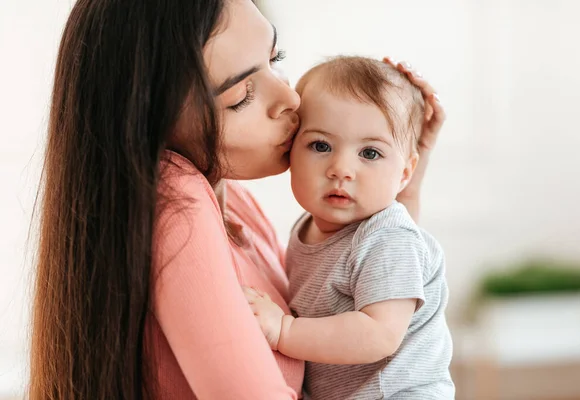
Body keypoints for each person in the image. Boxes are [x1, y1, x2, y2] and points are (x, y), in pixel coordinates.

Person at [29, 0, 445, 398]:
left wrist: (402, 172)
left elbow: (379, 253)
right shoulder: (179, 197)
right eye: (240, 96)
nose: (292, 99)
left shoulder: (239, 204)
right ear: (149, 119)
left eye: (275, 59)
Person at [243, 56, 454, 400]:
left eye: (370, 153)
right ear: (290, 149)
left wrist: (284, 330)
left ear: (404, 172)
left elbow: (379, 334)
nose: (341, 169)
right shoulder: (315, 225)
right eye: (321, 145)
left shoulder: (389, 237)